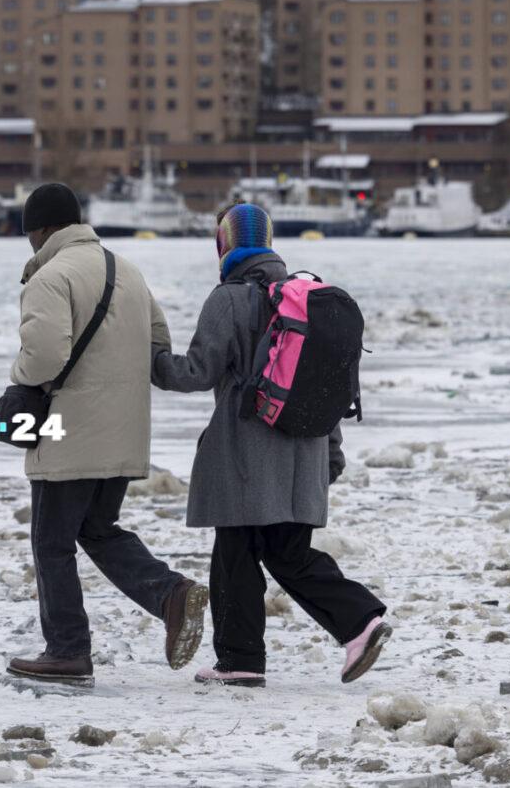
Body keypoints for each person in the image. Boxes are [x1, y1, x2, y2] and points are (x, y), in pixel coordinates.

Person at [152, 203, 391, 689]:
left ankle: (251, 656)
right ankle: (347, 627)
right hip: (305, 450)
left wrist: (150, 356)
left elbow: (196, 372)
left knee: (237, 553)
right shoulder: (307, 299)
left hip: (246, 452)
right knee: (283, 551)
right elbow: (328, 385)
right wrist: (332, 451)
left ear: (225, 245)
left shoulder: (229, 298)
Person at [5, 182, 207, 685]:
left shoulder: (50, 277)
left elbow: (44, 357)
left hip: (70, 432)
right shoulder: (127, 270)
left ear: (41, 230)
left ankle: (67, 651)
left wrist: (18, 378)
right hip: (125, 430)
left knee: (52, 542)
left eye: (29, 233)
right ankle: (170, 594)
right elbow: (158, 343)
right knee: (97, 528)